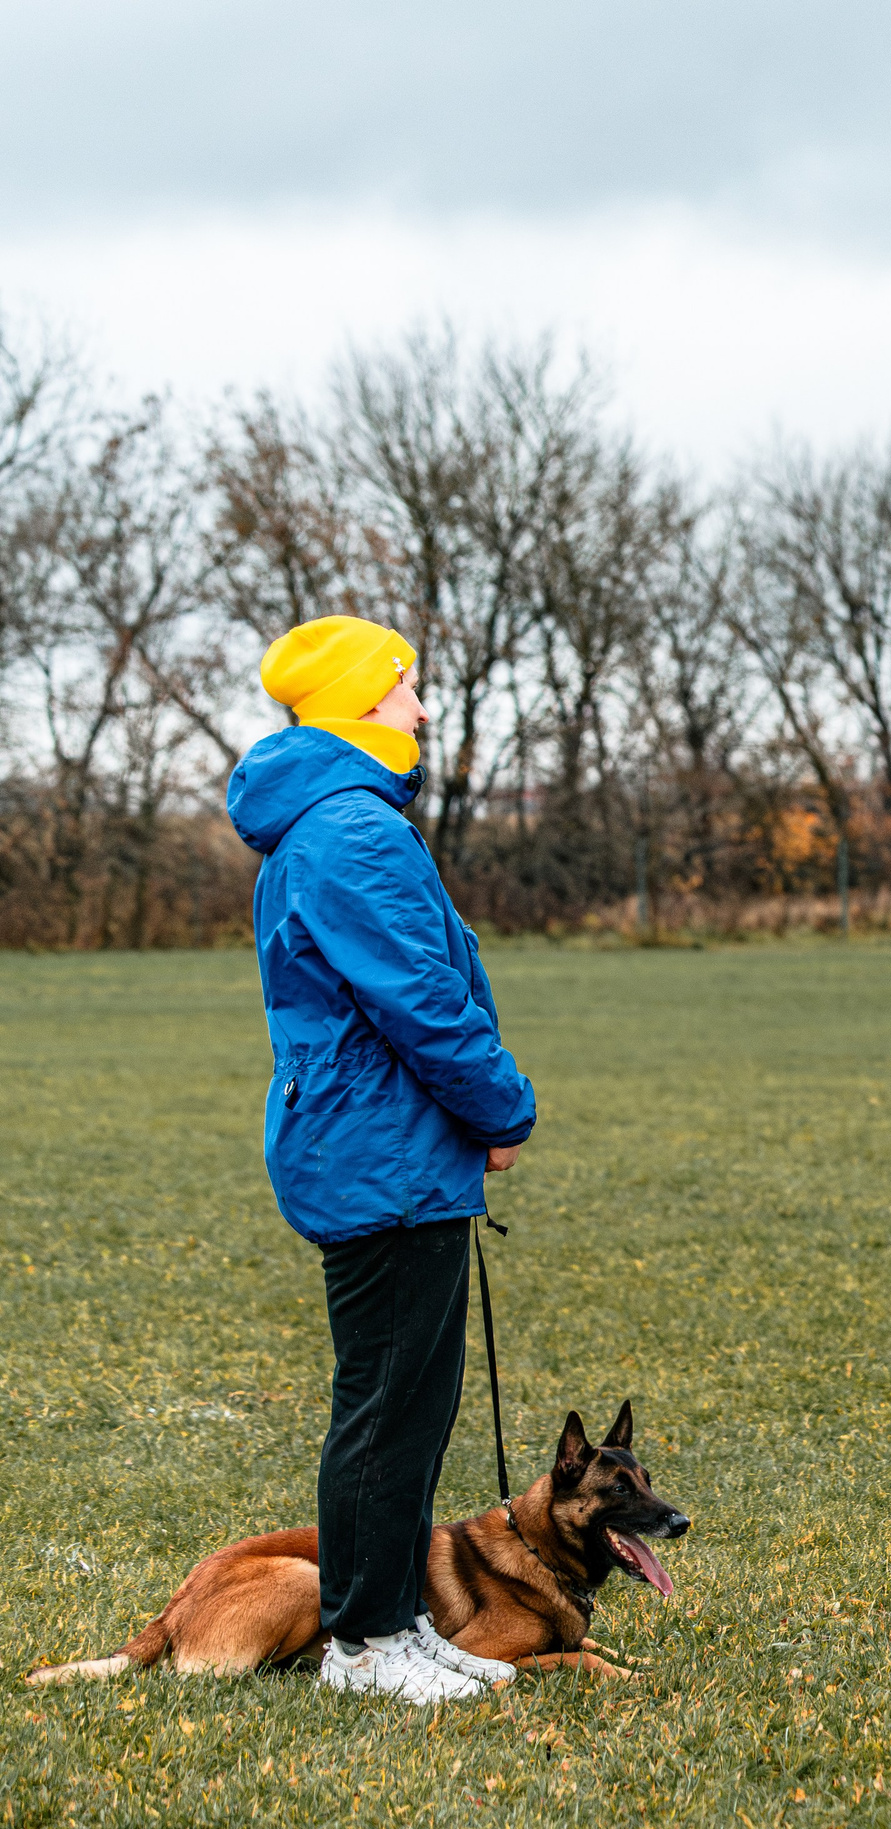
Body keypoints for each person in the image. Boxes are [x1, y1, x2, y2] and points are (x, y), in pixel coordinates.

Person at [225, 616, 539, 1706]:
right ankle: (365, 1643)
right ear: (363, 702)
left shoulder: (331, 823)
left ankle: (395, 1614)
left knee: (410, 1403)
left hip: (383, 1145)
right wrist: (503, 1107)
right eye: (407, 690)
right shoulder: (351, 830)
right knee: (388, 1405)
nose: (421, 709)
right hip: (382, 1153)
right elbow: (424, 1002)